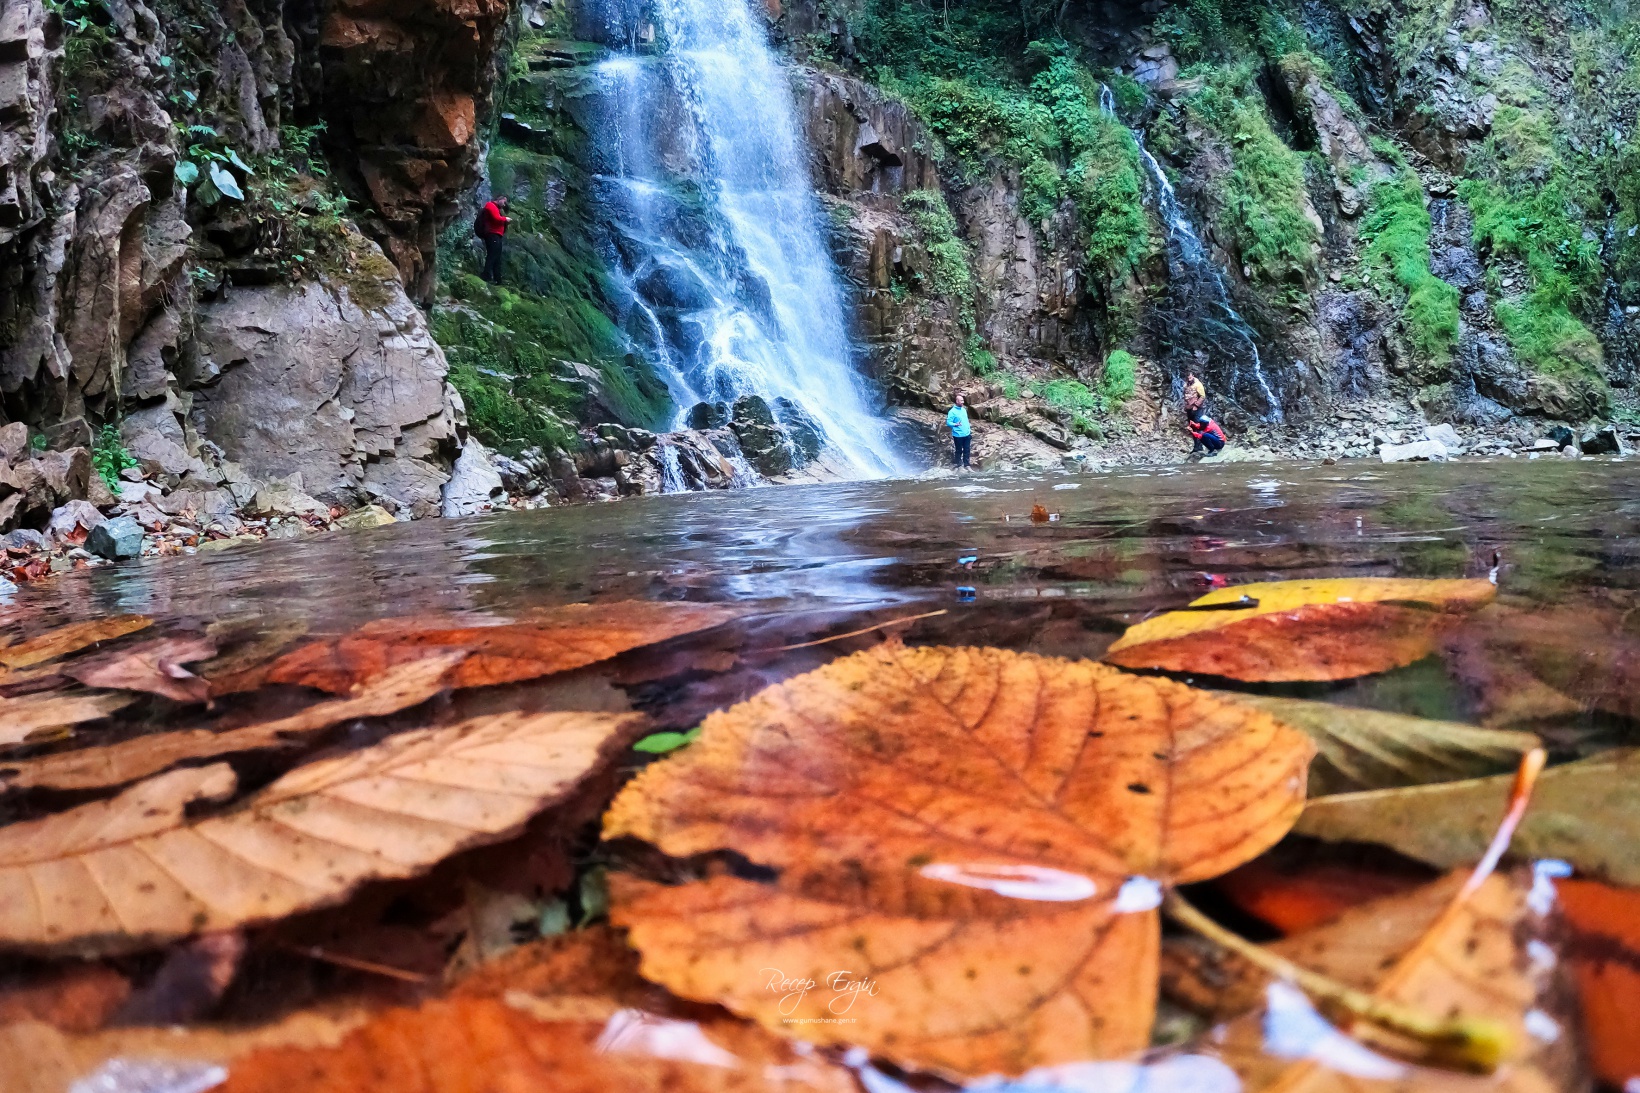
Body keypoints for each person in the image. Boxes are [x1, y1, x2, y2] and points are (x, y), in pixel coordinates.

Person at [476, 195, 511, 283]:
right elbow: (496, 218)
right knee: (492, 255)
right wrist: (505, 219)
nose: (504, 205)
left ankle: (497, 279)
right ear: (500, 199)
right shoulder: (490, 205)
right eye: (504, 202)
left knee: (497, 257)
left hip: (497, 235)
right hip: (492, 234)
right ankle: (486, 275)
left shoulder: (497, 208)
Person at [946, 392, 972, 470]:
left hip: (967, 434)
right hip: (958, 435)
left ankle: (967, 465)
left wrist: (968, 430)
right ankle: (959, 464)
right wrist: (955, 424)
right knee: (959, 450)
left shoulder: (964, 410)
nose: (963, 402)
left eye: (963, 400)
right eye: (961, 401)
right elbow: (948, 422)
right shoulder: (952, 412)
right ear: (957, 401)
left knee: (967, 450)